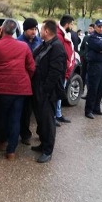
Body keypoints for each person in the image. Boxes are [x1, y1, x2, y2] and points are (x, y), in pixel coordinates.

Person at [0, 19, 35, 160]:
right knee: (15, 118)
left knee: (3, 117)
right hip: (20, 89)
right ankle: (11, 151)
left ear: (2, 30)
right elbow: (31, 67)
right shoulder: (24, 46)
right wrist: (25, 79)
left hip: (2, 89)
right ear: (14, 31)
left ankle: (2, 142)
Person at [30, 20, 67, 164]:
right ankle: (43, 143)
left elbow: (55, 72)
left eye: (41, 29)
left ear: (46, 32)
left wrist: (45, 90)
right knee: (41, 120)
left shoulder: (57, 47)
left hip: (47, 91)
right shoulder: (45, 45)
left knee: (48, 121)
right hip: (38, 87)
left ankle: (48, 150)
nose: (39, 31)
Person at [18, 17, 43, 142]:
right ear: (25, 30)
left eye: (35, 29)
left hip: (37, 79)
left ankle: (41, 132)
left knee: (38, 108)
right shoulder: (19, 42)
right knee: (25, 110)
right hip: (24, 80)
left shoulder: (39, 41)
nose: (34, 32)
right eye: (31, 29)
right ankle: (25, 134)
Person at [84, 19, 102, 119]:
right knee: (93, 89)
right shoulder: (92, 37)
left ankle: (96, 108)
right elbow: (99, 46)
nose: (101, 28)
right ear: (95, 27)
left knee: (101, 88)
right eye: (99, 26)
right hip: (94, 66)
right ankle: (88, 110)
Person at [55, 15, 76, 123]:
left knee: (59, 94)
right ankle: (54, 116)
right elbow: (60, 54)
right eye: (72, 24)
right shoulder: (59, 36)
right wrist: (67, 64)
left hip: (65, 70)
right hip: (61, 70)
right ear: (67, 24)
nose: (73, 26)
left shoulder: (65, 34)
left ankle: (58, 114)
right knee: (57, 94)